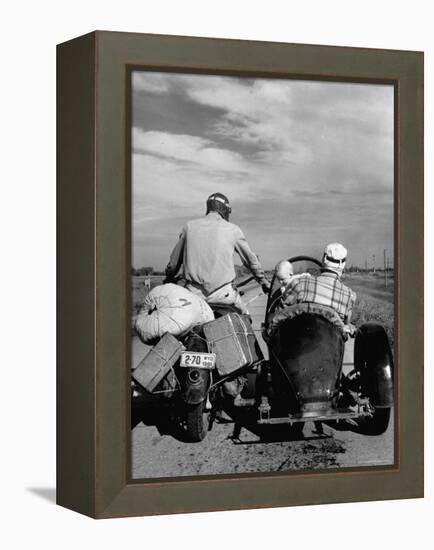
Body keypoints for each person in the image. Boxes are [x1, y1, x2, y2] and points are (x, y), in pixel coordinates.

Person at [165, 192, 270, 314]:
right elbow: (251, 261)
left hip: (194, 296)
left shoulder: (189, 227)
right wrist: (263, 282)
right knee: (245, 320)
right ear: (224, 209)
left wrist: (169, 277)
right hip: (224, 295)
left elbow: (173, 264)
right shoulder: (233, 230)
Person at [281, 243, 356, 327]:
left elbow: (284, 307)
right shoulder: (349, 295)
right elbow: (346, 323)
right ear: (343, 264)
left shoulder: (300, 282)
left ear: (324, 259)